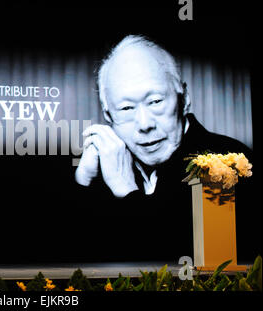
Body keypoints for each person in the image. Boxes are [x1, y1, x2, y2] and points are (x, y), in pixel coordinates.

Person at [75, 35, 260, 262]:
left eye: (155, 102)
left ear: (185, 99)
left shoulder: (225, 160)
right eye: (126, 108)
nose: (144, 124)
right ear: (108, 116)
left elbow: (196, 262)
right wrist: (84, 180)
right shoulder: (106, 170)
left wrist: (126, 193)